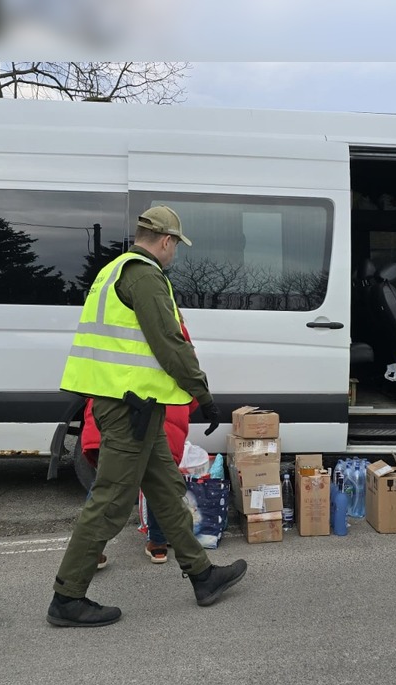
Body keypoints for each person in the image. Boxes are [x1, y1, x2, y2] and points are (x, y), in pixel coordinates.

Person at [46, 206, 247, 627]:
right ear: (167, 241)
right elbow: (169, 343)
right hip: (128, 409)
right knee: (111, 502)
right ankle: (67, 597)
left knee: (165, 489)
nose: (174, 254)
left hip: (137, 406)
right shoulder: (144, 275)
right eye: (175, 246)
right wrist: (202, 394)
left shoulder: (114, 270)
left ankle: (202, 574)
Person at [79, 319, 199, 566]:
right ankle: (158, 545)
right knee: (159, 483)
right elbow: (187, 368)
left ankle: (92, 551)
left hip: (117, 411)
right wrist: (193, 404)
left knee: (107, 483)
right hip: (160, 412)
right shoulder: (171, 321)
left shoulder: (113, 322)